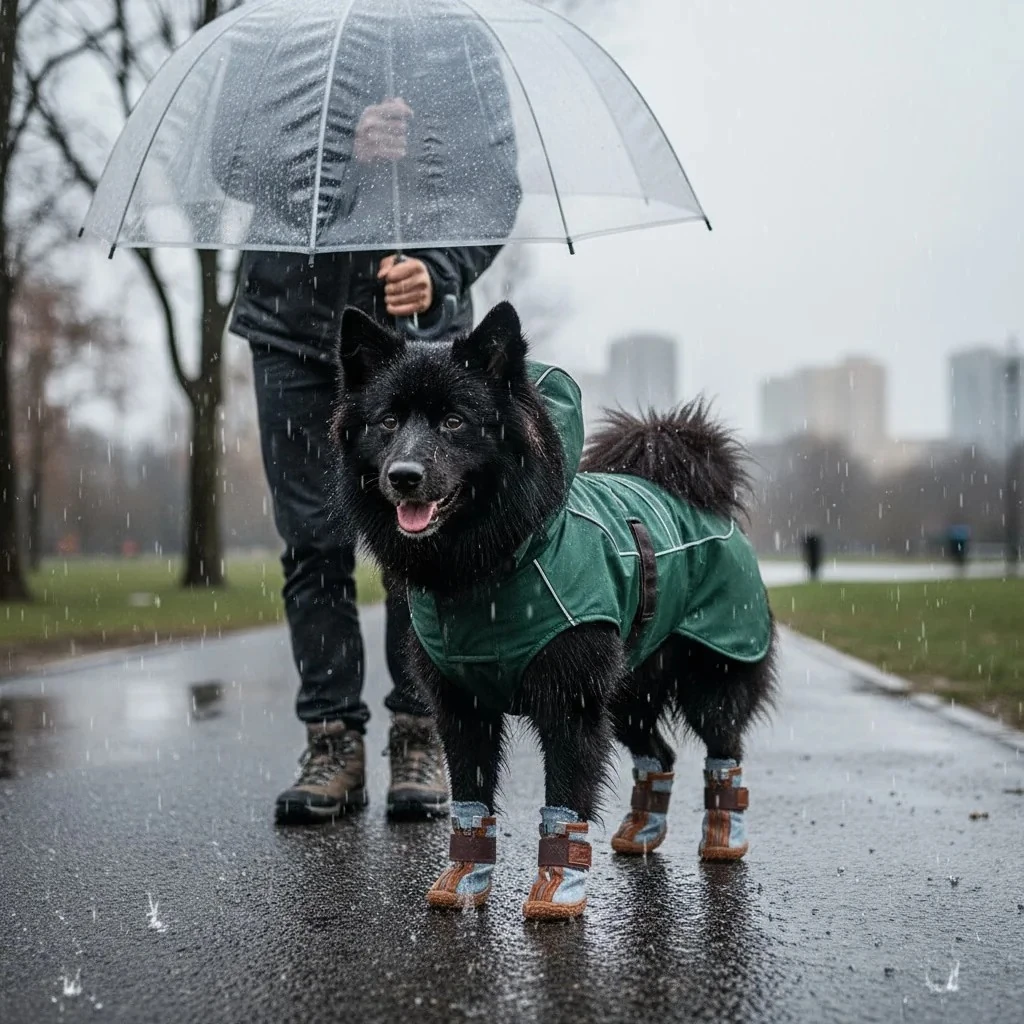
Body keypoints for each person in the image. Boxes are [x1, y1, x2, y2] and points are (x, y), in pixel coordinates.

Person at [213, 18, 522, 823]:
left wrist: (441, 269)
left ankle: (419, 732)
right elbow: (232, 160)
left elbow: (496, 186)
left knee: (415, 536)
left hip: (412, 339)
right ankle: (331, 744)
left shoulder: (453, 39)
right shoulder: (271, 32)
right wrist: (334, 145)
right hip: (290, 327)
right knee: (313, 543)